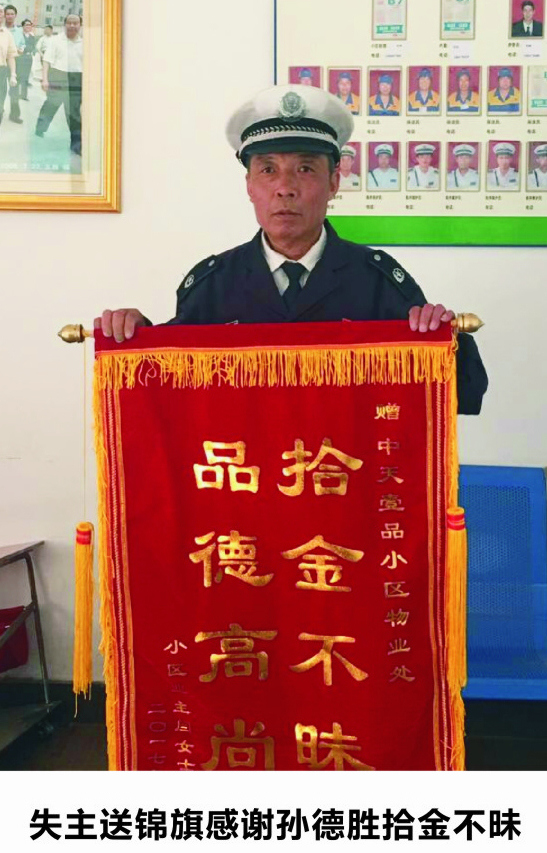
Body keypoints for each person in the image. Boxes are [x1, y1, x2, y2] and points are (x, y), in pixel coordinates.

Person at [96, 83, 487, 415]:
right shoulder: (213, 284)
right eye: (268, 170)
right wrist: (135, 336)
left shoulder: (376, 279)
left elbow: (463, 392)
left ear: (333, 183)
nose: (285, 188)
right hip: (245, 477)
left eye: (305, 169)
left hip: (344, 476)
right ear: (249, 186)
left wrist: (446, 336)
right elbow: (168, 391)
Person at [35, 13, 82, 155]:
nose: (72, 25)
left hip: (76, 78)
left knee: (74, 113)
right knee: (51, 105)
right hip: (57, 75)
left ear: (80, 25)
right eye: (69, 23)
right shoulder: (56, 41)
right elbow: (47, 61)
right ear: (64, 24)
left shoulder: (84, 43)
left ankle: (76, 144)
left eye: (75, 23)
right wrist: (45, 79)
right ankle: (39, 130)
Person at [4, 4, 22, 122]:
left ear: (15, 16)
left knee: (14, 90)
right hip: (1, 63)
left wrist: (20, 50)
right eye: (7, 14)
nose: (10, 16)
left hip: (15, 63)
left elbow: (22, 46)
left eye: (12, 14)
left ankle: (14, 115)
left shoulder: (19, 31)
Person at [0, 4, 17, 127]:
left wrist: (13, 75)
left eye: (0, 12)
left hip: (1, 72)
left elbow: (11, 56)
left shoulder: (7, 34)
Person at [16, 19, 35, 100]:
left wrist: (29, 50)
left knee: (26, 77)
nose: (28, 26)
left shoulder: (32, 36)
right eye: (26, 25)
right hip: (20, 57)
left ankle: (24, 95)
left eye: (30, 25)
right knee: (18, 76)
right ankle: (15, 94)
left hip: (28, 58)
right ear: (23, 26)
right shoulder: (19, 36)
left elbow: (33, 47)